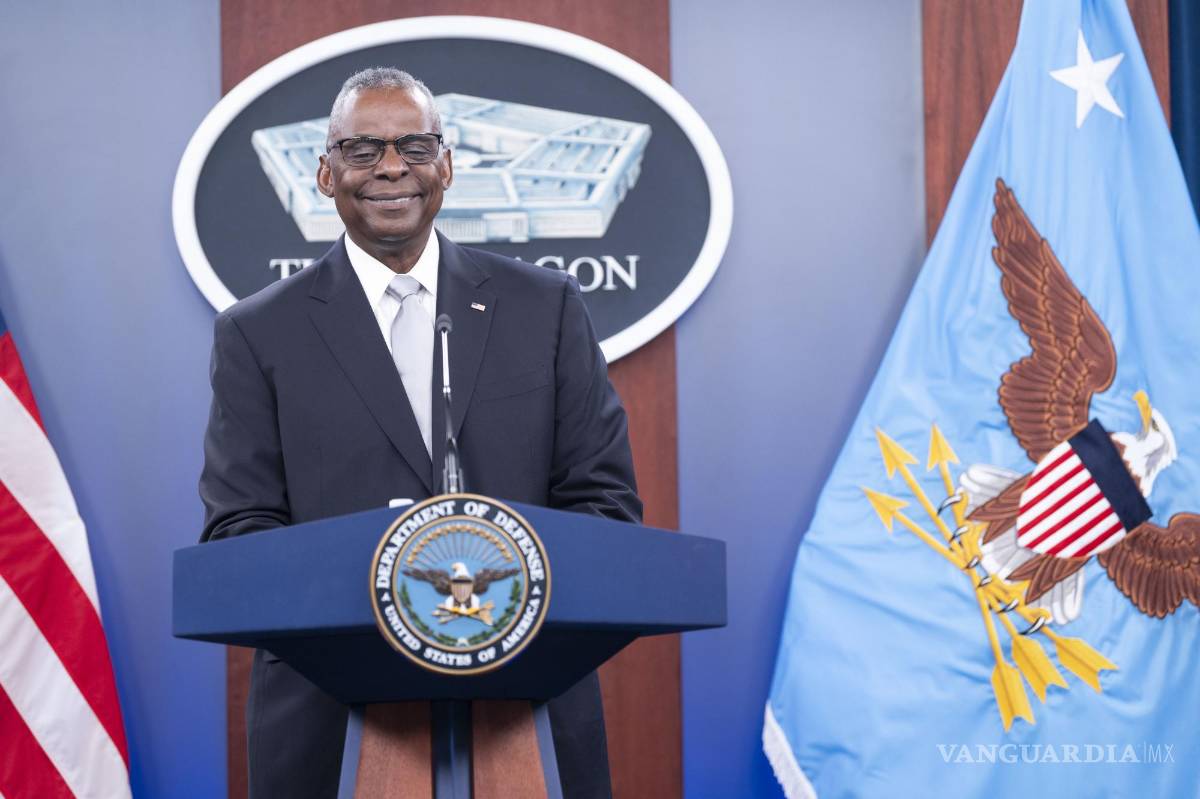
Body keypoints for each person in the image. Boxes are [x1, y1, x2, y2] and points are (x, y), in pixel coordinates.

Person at [199, 67, 641, 799]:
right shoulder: (257, 333)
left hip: (522, 709)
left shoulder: (545, 308)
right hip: (329, 719)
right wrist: (386, 596)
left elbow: (606, 506)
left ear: (448, 166)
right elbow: (240, 532)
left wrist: (498, 607)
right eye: (363, 149)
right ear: (324, 173)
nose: (393, 166)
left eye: (414, 144)